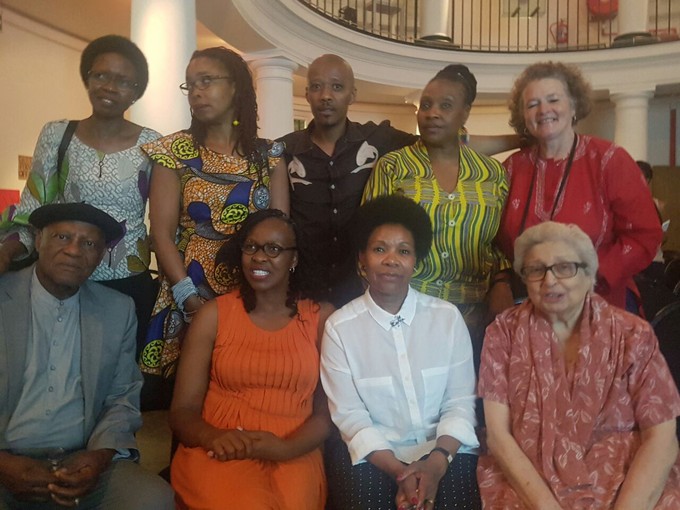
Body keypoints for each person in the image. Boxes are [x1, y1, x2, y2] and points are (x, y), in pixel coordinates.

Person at [279, 54, 519, 307]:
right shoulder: (285, 149)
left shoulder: (378, 139)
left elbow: (446, 142)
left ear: (352, 94)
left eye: (337, 87)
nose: (326, 95)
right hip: (306, 287)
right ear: (306, 94)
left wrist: (523, 140)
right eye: (316, 86)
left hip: (359, 289)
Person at [478, 221, 680, 509]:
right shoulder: (503, 334)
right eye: (536, 270)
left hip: (627, 473)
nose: (549, 281)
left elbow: (661, 434)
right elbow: (498, 436)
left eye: (565, 268)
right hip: (530, 476)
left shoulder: (633, 333)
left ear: (589, 275)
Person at [138, 47, 289, 407]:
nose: (197, 92)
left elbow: (281, 235)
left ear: (236, 86)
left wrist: (267, 300)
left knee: (248, 393)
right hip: (190, 289)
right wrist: (190, 299)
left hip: (254, 293)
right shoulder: (173, 152)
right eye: (190, 85)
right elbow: (162, 233)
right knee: (192, 400)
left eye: (207, 81)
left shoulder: (270, 157)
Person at [0, 203, 173, 509]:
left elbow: (123, 397)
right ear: (38, 240)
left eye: (89, 243)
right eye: (62, 237)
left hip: (80, 460)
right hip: (5, 460)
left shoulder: (117, 309)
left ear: (101, 255)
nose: (74, 251)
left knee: (153, 499)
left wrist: (99, 457)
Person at [0, 34, 161, 359]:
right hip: (63, 274)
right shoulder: (57, 134)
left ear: (136, 91)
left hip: (126, 280)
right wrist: (7, 250)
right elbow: (33, 209)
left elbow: (164, 220)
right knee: (58, 368)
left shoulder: (152, 144)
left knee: (114, 372)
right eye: (100, 75)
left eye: (123, 81)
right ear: (87, 77)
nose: (109, 86)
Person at [321, 195, 480, 510]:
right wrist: (399, 471)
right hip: (375, 455)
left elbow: (460, 404)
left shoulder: (447, 318)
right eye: (380, 249)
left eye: (403, 251)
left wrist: (436, 463)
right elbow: (351, 416)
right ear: (361, 260)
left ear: (415, 261)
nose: (391, 259)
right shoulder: (340, 328)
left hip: (445, 450)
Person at [169, 209, 333, 509]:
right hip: (222, 449)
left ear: (294, 259)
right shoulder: (213, 315)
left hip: (294, 450)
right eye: (251, 247)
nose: (259, 257)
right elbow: (182, 411)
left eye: (273, 249)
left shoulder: (320, 318)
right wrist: (212, 436)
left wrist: (285, 448)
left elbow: (328, 412)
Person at [362, 64, 513, 360]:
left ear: (465, 113)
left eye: (446, 106)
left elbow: (502, 242)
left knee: (465, 400)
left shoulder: (492, 174)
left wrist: (502, 282)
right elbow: (368, 240)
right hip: (407, 310)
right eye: (426, 105)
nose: (432, 113)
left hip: (476, 315)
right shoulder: (394, 167)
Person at [497, 61, 662, 310]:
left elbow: (645, 235)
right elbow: (493, 241)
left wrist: (587, 275)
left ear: (574, 105)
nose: (543, 110)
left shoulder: (610, 160)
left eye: (553, 100)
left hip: (600, 301)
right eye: (532, 105)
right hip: (530, 306)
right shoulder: (511, 169)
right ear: (523, 116)